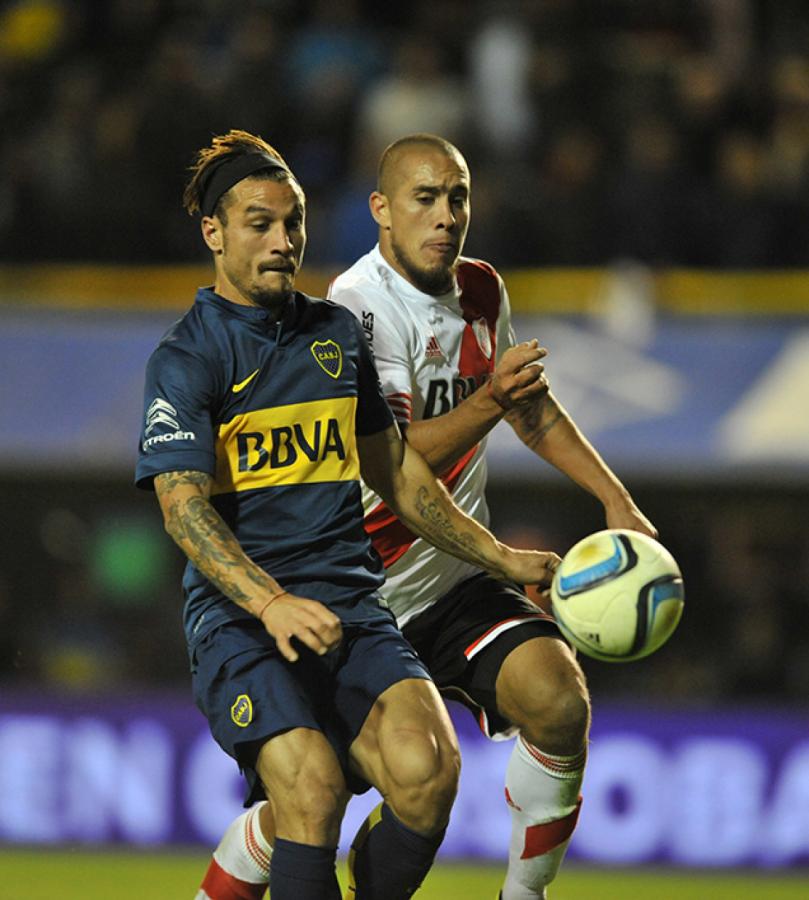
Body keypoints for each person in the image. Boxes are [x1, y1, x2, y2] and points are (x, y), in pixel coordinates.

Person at [200, 133, 657, 900]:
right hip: (360, 592)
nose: (445, 217)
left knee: (557, 697)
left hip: (451, 579)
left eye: (458, 198)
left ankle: (524, 894)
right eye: (424, 199)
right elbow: (395, 458)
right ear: (380, 210)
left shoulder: (481, 289)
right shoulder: (354, 309)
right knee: (306, 805)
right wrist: (491, 400)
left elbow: (528, 407)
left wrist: (614, 497)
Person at [135, 129, 561, 900]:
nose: (282, 241)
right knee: (312, 791)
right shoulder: (187, 357)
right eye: (259, 223)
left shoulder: (332, 335)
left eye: (292, 222)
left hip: (351, 606)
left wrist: (501, 559)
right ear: (214, 233)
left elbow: (396, 472)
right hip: (242, 619)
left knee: (428, 772)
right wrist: (270, 600)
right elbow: (182, 508)